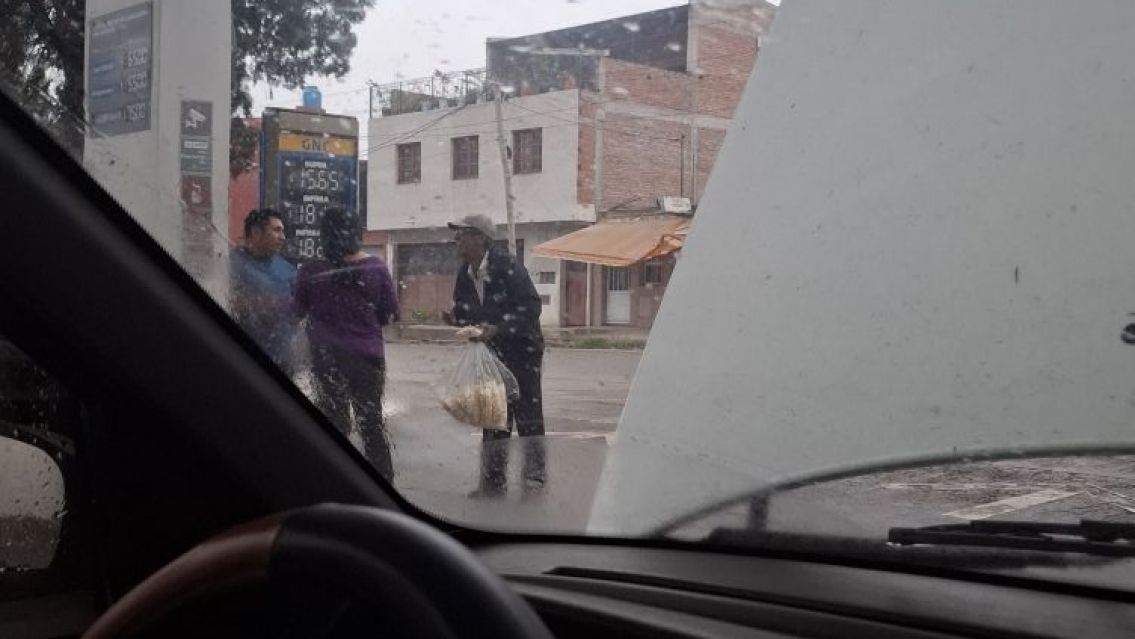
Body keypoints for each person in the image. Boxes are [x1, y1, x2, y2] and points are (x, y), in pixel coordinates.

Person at [294, 208, 399, 481]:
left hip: (327, 357)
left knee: (333, 422)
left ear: (323, 234)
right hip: (367, 357)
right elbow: (389, 314)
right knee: (372, 423)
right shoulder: (376, 267)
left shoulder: (311, 269)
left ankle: (334, 479)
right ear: (357, 233)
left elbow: (297, 310)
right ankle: (382, 483)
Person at [444, 214, 546, 496]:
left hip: (522, 348)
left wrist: (498, 327)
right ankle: (492, 480)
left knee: (527, 410)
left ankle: (535, 475)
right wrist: (456, 318)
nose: (456, 240)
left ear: (479, 238)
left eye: (461, 234)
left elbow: (531, 308)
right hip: (492, 351)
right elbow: (468, 309)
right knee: (494, 412)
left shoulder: (508, 265)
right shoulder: (465, 270)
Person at [230, 208, 298, 374]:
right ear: (255, 232)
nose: (283, 237)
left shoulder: (288, 270)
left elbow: (297, 310)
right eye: (276, 230)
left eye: (283, 231)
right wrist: (260, 304)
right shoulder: (230, 262)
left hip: (282, 359)